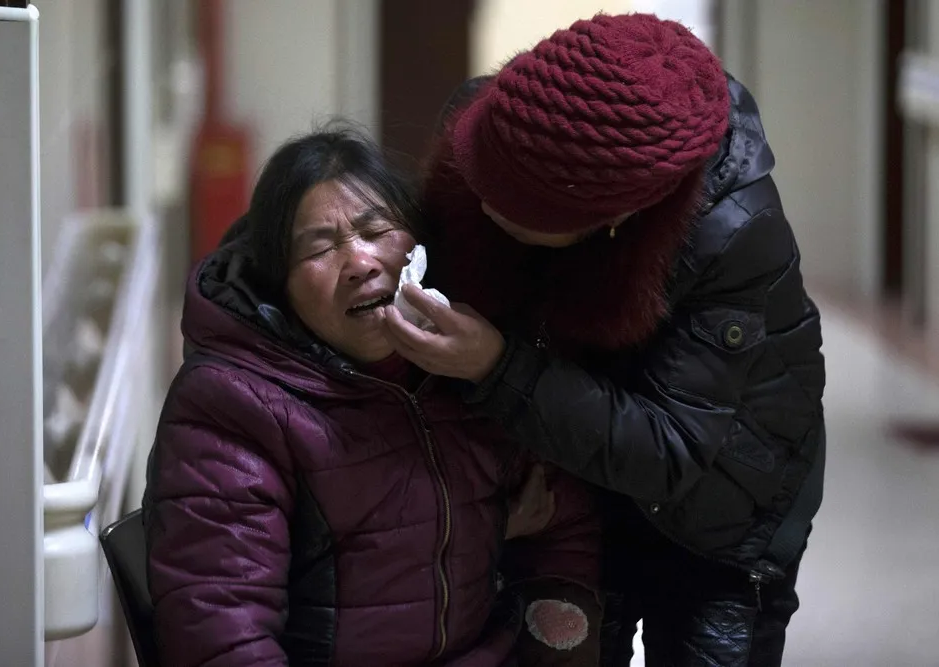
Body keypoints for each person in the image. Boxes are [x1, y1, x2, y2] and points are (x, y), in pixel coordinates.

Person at [381, 13, 826, 667]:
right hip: (566, 484)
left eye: (519, 210)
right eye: (481, 175)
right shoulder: (498, 133)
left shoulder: (731, 230)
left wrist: (497, 367)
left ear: (615, 222)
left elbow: (671, 449)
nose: (482, 205)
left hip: (723, 512)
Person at [142, 127, 604, 667]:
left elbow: (564, 526)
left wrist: (551, 648)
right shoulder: (232, 403)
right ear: (279, 286)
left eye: (376, 229)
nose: (360, 262)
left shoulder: (472, 364)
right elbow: (221, 627)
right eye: (319, 247)